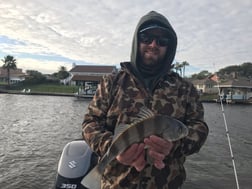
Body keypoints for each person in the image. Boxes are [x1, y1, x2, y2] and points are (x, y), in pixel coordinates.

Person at [82, 11, 209, 189]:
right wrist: (113, 148)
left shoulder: (185, 88)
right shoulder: (111, 82)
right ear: (136, 41)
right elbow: (90, 122)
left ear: (169, 46)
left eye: (162, 41)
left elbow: (199, 129)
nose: (153, 44)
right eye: (146, 37)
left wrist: (173, 146)